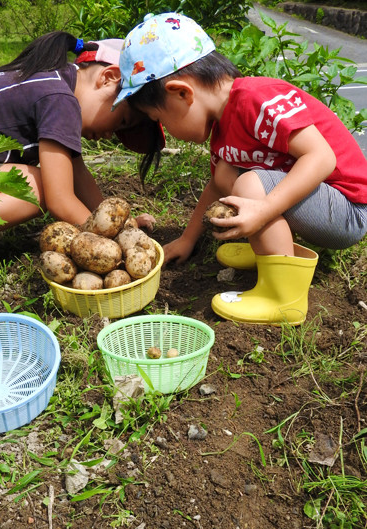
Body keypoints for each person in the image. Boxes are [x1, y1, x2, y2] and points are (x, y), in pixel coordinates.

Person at [113, 12, 367, 325]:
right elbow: (217, 186)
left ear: (181, 93)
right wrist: (188, 239)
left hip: (348, 207)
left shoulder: (254, 99)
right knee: (227, 176)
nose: (164, 129)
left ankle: (283, 299)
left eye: (160, 118)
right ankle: (271, 252)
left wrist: (264, 210)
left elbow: (321, 158)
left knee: (249, 186)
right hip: (320, 202)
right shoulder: (222, 131)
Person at [0, 34, 165, 302]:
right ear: (108, 78)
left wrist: (121, 227)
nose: (111, 135)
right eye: (123, 122)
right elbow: (60, 198)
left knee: (43, 180)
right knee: (36, 187)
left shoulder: (53, 81)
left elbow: (77, 173)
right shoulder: (60, 99)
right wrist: (105, 246)